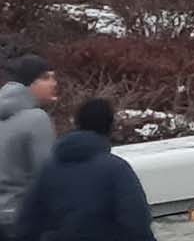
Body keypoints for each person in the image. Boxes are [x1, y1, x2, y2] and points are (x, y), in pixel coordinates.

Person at [12, 96, 155, 241]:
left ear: (77, 123)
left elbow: (26, 224)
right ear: (110, 126)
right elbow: (137, 223)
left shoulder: (48, 170)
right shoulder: (116, 170)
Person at [0, 55, 57, 238]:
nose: (54, 83)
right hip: (23, 219)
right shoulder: (37, 118)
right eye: (46, 77)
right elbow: (47, 175)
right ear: (30, 82)